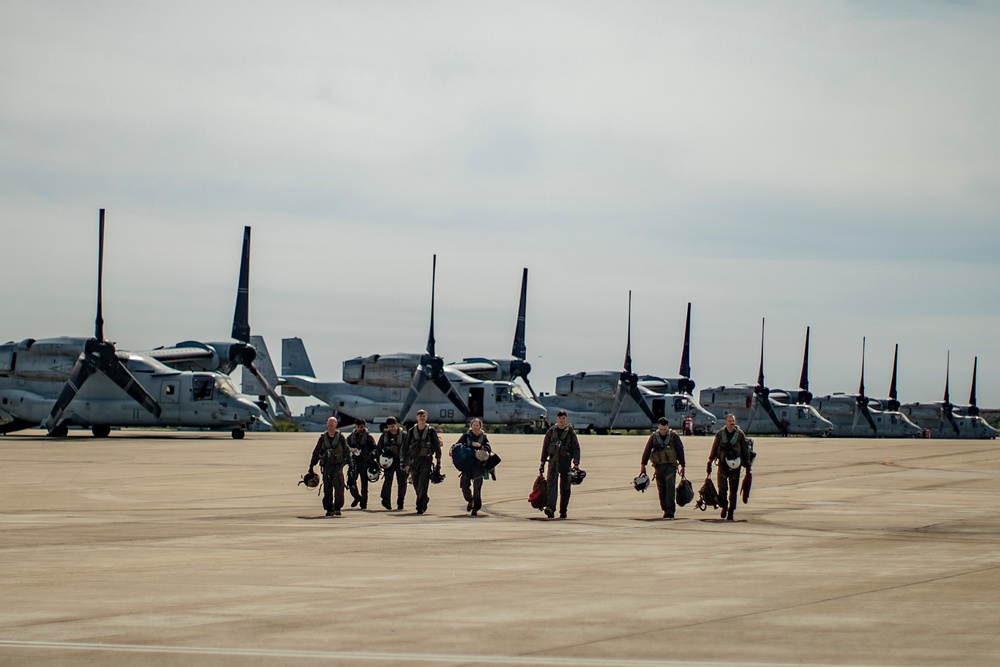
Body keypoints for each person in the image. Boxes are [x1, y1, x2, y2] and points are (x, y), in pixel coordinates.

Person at [707, 413, 753, 521]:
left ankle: (731, 511)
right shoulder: (720, 434)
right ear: (725, 422)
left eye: (733, 421)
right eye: (730, 421)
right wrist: (709, 461)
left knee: (733, 491)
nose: (732, 423)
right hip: (723, 465)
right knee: (722, 489)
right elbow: (714, 448)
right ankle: (724, 506)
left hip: (735, 467)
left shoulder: (740, 435)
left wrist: (748, 466)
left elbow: (745, 450)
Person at [640, 417, 686, 519]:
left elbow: (680, 450)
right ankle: (665, 509)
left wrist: (683, 466)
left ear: (668, 427)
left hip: (670, 466)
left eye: (664, 429)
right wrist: (643, 465)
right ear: (658, 427)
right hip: (659, 467)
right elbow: (647, 450)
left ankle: (670, 510)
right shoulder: (654, 437)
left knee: (670, 488)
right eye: (661, 429)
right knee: (661, 490)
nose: (663, 431)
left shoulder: (674, 437)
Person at [306, 416, 353, 516]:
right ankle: (329, 509)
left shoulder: (340, 438)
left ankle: (337, 507)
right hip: (327, 466)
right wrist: (311, 466)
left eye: (332, 424)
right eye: (329, 424)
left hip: (337, 465)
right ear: (327, 425)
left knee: (339, 487)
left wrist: (351, 465)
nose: (330, 426)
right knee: (327, 488)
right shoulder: (322, 438)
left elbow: (347, 451)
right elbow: (316, 452)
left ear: (336, 425)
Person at [539, 410, 581, 519]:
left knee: (565, 488)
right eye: (559, 418)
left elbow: (576, 449)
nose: (561, 420)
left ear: (566, 419)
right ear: (556, 419)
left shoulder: (571, 433)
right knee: (551, 486)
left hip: (565, 463)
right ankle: (550, 508)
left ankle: (563, 510)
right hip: (553, 462)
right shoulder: (551, 432)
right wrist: (542, 462)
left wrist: (576, 464)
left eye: (563, 418)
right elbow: (545, 448)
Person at [405, 409, 443, 515]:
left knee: (423, 484)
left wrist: (438, 462)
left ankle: (420, 506)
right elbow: (405, 447)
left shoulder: (431, 431)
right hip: (414, 461)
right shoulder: (411, 431)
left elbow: (436, 446)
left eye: (423, 416)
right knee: (416, 484)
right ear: (417, 417)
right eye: (420, 416)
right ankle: (424, 498)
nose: (422, 418)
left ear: (426, 418)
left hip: (426, 460)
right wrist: (404, 462)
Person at [453, 417, 493, 516]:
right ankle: (470, 500)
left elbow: (489, 448)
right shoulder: (465, 436)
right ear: (471, 426)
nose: (475, 427)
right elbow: (457, 445)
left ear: (480, 426)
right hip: (467, 464)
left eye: (477, 425)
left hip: (478, 465)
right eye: (474, 425)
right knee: (464, 485)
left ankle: (476, 508)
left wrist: (480, 446)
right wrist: (452, 450)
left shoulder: (483, 437)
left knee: (477, 488)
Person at [376, 416, 408, 511]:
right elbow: (378, 448)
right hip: (388, 461)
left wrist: (408, 463)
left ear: (396, 425)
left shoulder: (404, 435)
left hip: (400, 461)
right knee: (388, 481)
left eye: (393, 426)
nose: (391, 428)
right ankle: (386, 500)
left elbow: (408, 449)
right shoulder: (385, 435)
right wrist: (380, 461)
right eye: (389, 427)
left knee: (402, 482)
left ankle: (400, 502)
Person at [346, 418, 377, 509]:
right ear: (355, 426)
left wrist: (371, 456)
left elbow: (375, 449)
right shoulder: (351, 437)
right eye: (358, 426)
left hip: (365, 463)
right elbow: (345, 446)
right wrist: (352, 450)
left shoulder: (368, 437)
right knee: (351, 482)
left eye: (362, 427)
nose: (360, 428)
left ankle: (363, 503)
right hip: (354, 462)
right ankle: (357, 497)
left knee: (364, 485)